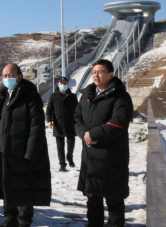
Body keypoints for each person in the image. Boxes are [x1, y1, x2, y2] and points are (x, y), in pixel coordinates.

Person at [75, 59, 134, 227]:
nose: (96, 75)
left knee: (114, 200)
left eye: (100, 72)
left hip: (111, 157)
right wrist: (84, 134)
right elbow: (76, 118)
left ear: (111, 74)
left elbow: (119, 122)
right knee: (92, 199)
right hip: (90, 157)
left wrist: (93, 135)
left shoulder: (120, 96)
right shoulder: (87, 95)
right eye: (94, 72)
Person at [0, 64, 52, 227]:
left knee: (23, 188)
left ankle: (24, 222)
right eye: (4, 76)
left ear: (20, 76)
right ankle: (10, 219)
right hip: (5, 151)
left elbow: (36, 127)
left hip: (22, 152)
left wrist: (31, 152)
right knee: (7, 186)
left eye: (10, 75)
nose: (7, 78)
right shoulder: (3, 97)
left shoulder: (30, 96)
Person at [46, 77, 79, 172]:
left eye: (65, 83)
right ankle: (62, 164)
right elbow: (49, 109)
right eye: (61, 83)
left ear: (68, 84)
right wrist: (49, 120)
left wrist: (77, 121)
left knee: (71, 142)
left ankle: (69, 156)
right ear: (58, 84)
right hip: (58, 123)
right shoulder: (54, 95)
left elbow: (77, 109)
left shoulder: (72, 96)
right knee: (60, 146)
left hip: (70, 123)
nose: (63, 84)